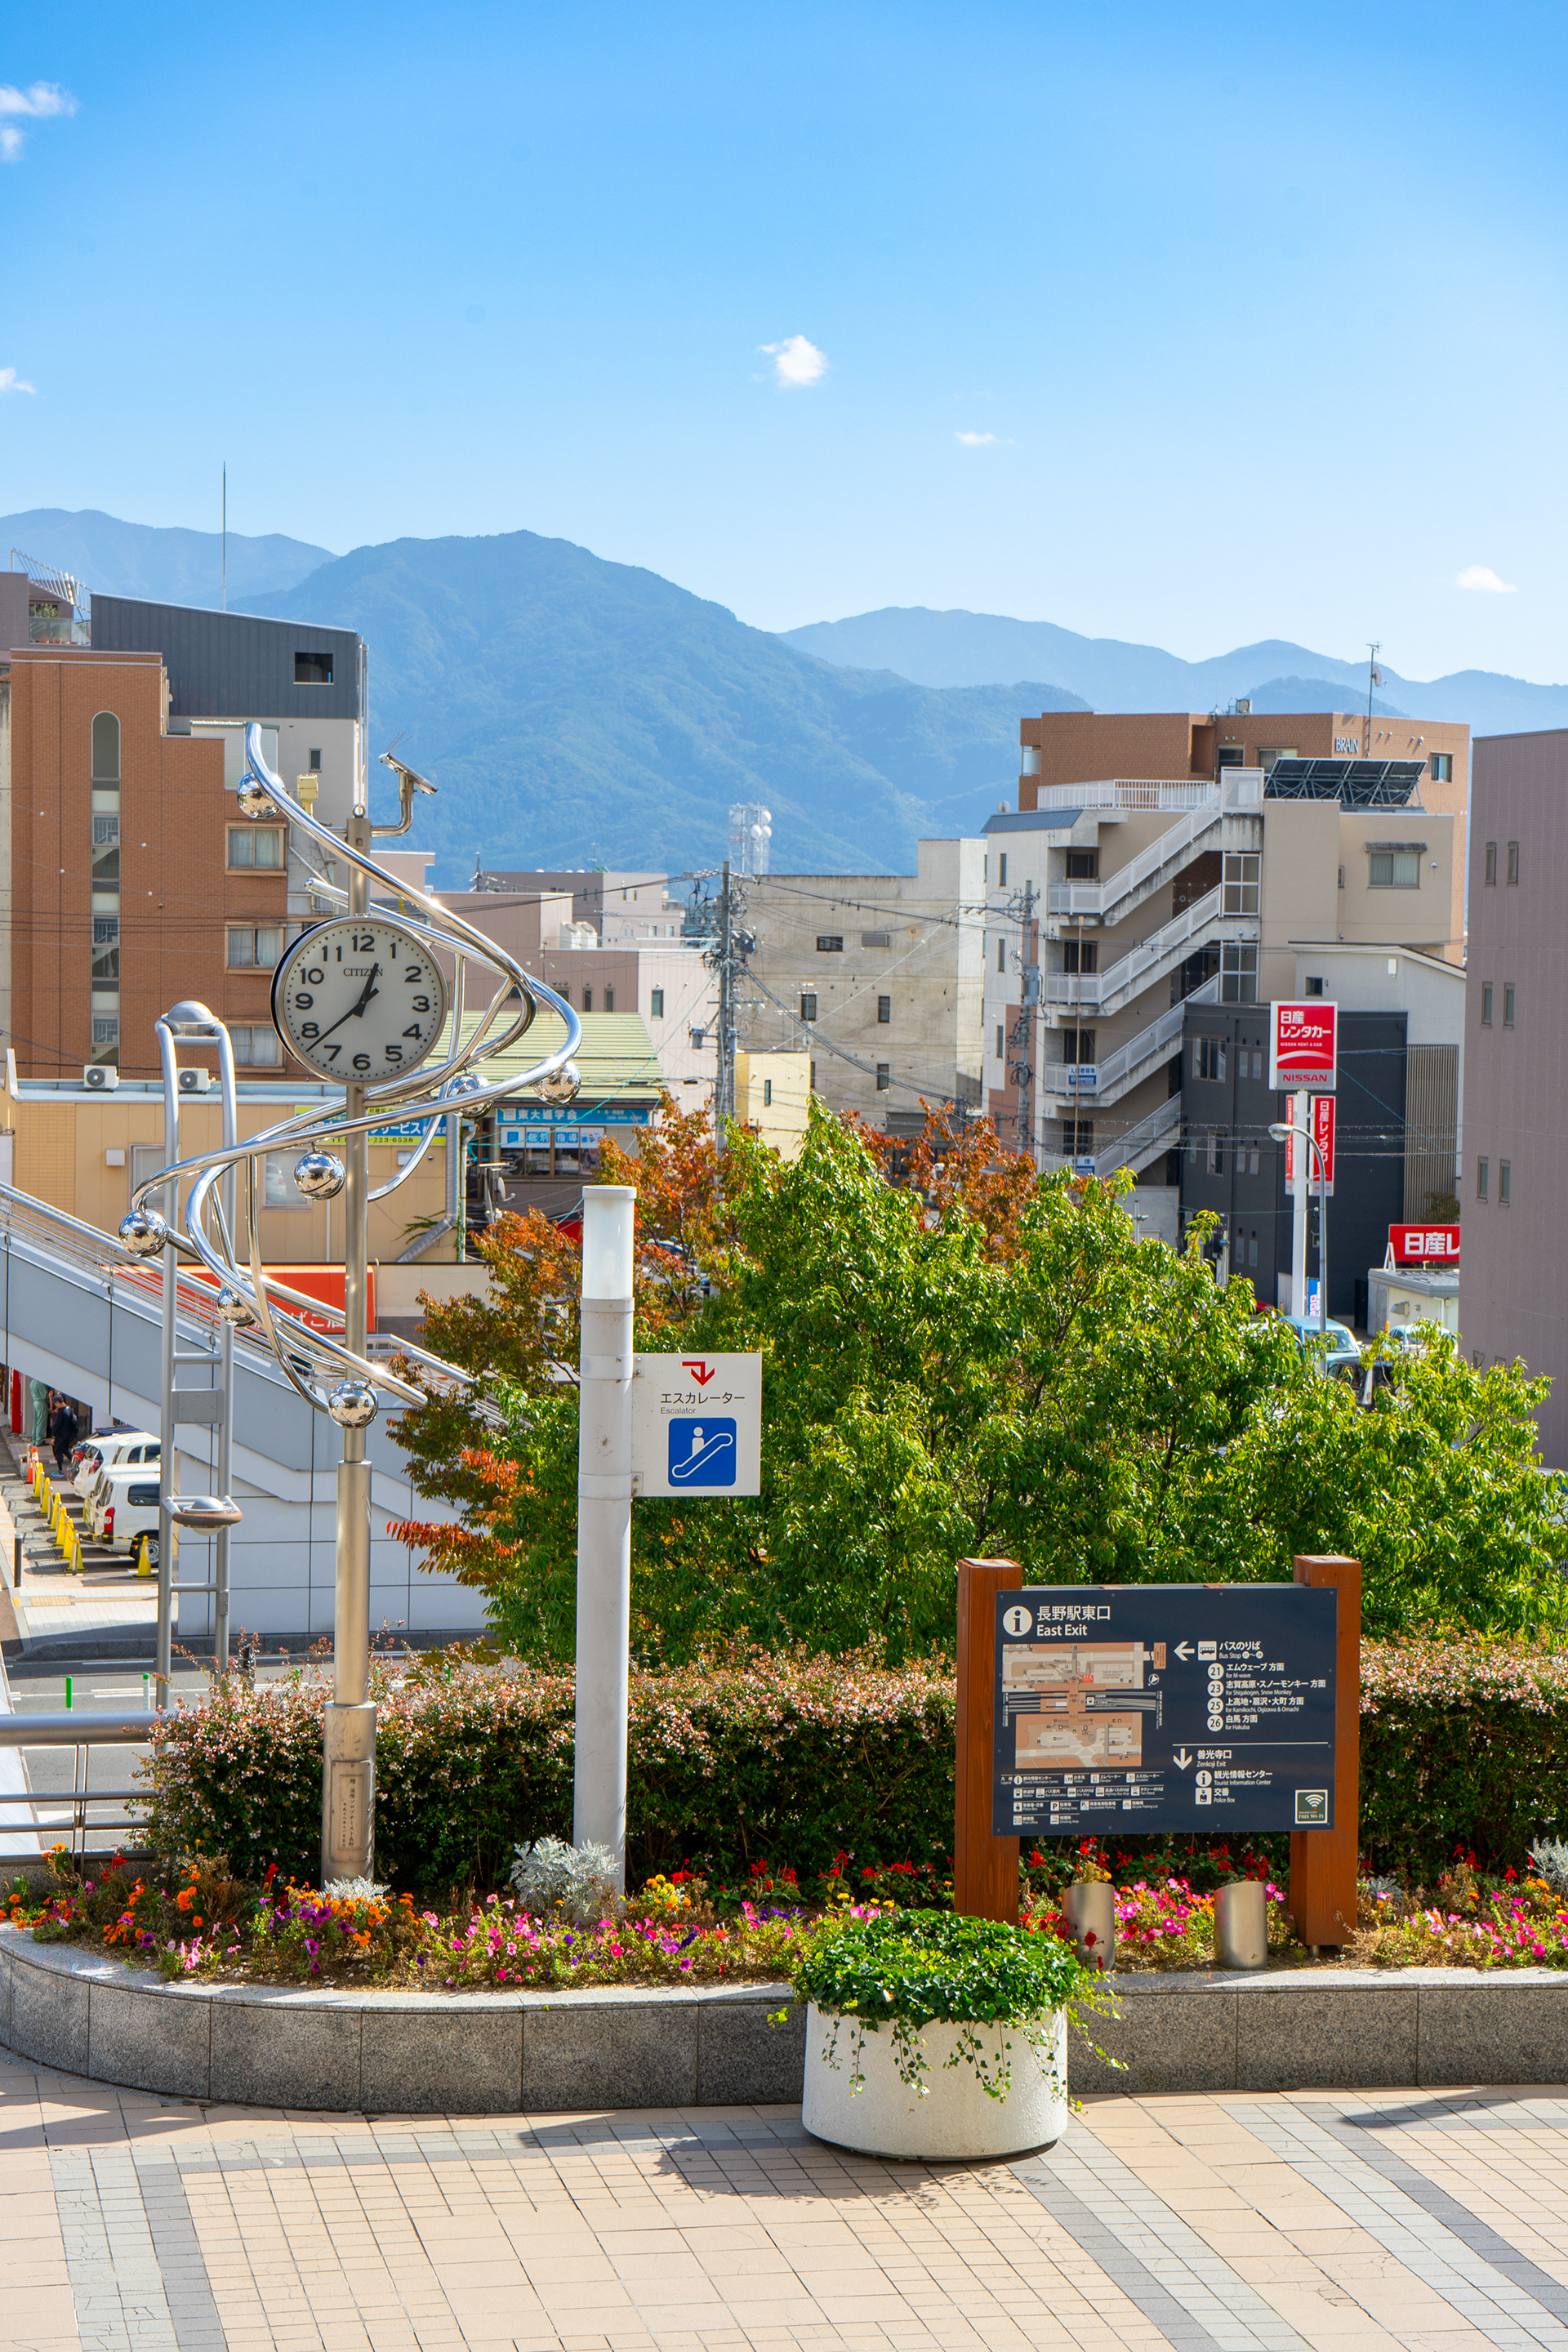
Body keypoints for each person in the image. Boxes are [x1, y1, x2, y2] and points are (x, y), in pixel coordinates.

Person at [50, 1396, 78, 1477]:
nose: (56, 1406)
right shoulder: (69, 1409)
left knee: (58, 1451)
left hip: (61, 1435)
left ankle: (60, 1471)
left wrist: (53, 1436)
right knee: (66, 1450)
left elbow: (56, 1425)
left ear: (57, 1402)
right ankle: (76, 1465)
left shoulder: (61, 1412)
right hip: (68, 1435)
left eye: (55, 1404)